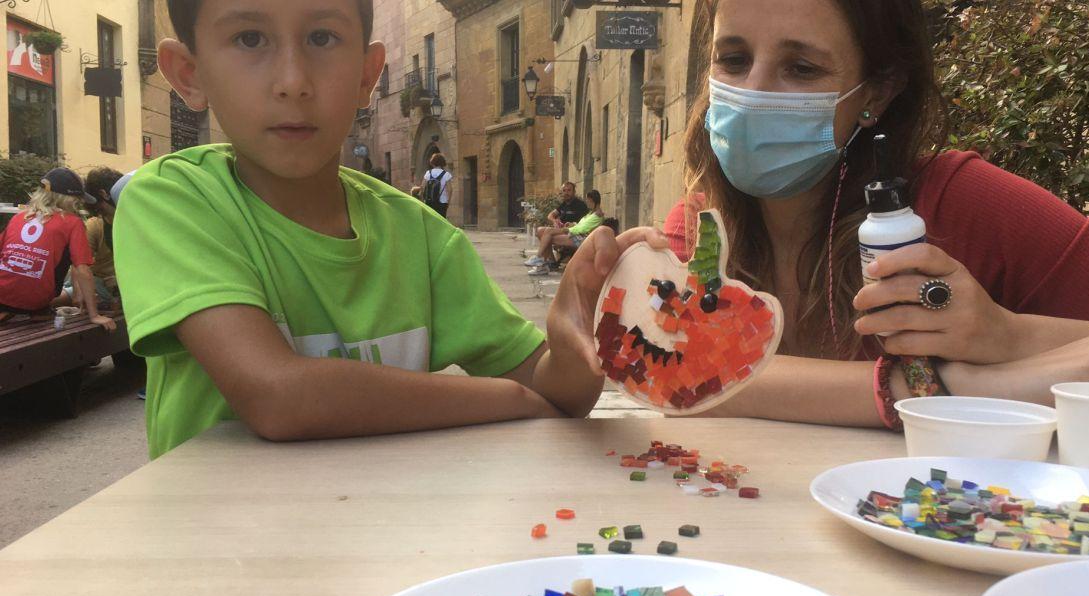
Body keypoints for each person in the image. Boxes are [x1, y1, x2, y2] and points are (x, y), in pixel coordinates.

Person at [114, 0, 664, 458]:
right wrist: (511, 399)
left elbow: (556, 390)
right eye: (250, 39)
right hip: (217, 558)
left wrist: (577, 321)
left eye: (323, 38)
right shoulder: (174, 201)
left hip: (394, 547)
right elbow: (278, 396)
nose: (292, 81)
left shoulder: (419, 236)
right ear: (190, 73)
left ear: (367, 75)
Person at [662, 0, 1089, 425]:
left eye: (801, 68)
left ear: (877, 92)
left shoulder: (963, 203)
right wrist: (949, 388)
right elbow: (681, 373)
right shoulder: (702, 227)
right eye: (733, 58)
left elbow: (712, 380)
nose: (753, 92)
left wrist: (1010, 336)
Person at [0, 167, 116, 332]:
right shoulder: (72, 222)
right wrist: (94, 315)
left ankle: (12, 307)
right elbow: (82, 269)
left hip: (2, 293)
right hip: (36, 299)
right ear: (68, 199)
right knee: (68, 253)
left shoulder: (18, 217)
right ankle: (36, 308)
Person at [527, 190, 606, 276]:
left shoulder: (597, 214)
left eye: (587, 200)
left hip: (582, 238)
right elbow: (582, 224)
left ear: (592, 200)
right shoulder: (591, 213)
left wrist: (567, 229)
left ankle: (540, 260)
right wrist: (572, 224)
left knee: (548, 235)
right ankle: (542, 262)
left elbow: (583, 229)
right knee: (544, 232)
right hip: (576, 234)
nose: (587, 202)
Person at [81, 167, 124, 307]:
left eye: (100, 209)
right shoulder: (95, 225)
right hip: (100, 285)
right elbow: (80, 266)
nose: (103, 215)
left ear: (104, 194)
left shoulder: (138, 221)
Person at [421, 153, 452, 218]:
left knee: (430, 221)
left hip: (429, 201)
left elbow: (422, 187)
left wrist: (423, 199)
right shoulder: (446, 174)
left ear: (432, 162)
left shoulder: (428, 173)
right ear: (443, 162)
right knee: (441, 222)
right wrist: (448, 202)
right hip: (442, 202)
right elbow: (450, 190)